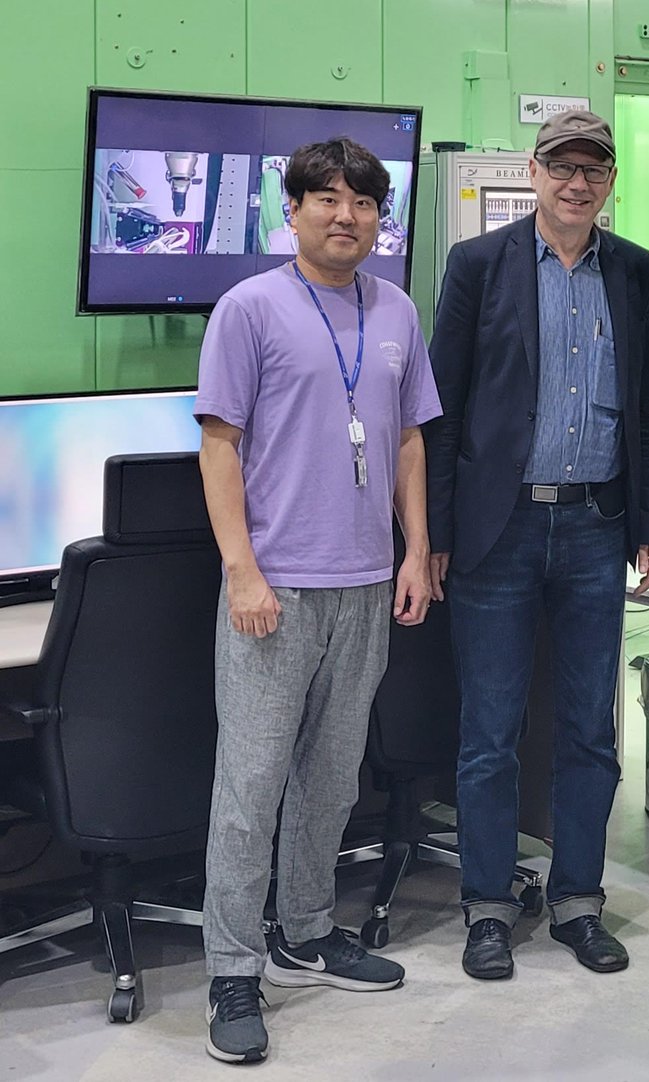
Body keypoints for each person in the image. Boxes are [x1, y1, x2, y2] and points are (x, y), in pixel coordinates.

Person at [195, 137, 442, 1063]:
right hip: (276, 589)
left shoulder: (396, 310)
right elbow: (220, 445)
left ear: (383, 218)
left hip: (367, 580)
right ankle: (232, 965)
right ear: (291, 210)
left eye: (364, 202)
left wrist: (415, 550)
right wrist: (241, 571)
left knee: (336, 775)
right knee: (250, 786)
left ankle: (304, 928)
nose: (347, 215)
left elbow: (409, 440)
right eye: (327, 198)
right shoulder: (249, 308)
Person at [424, 109, 649, 980]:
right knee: (489, 731)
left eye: (593, 171)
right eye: (562, 168)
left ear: (609, 183)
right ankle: (488, 906)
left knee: (588, 730)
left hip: (596, 528)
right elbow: (441, 410)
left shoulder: (637, 272)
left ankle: (577, 901)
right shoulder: (478, 265)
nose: (577, 184)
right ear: (533, 173)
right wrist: (439, 531)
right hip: (499, 529)